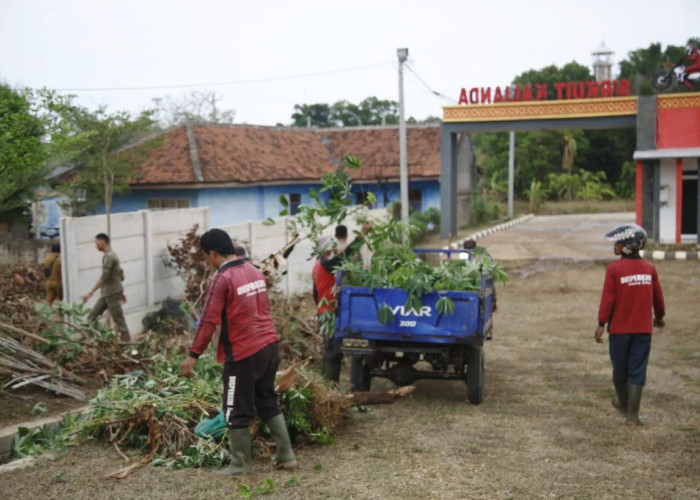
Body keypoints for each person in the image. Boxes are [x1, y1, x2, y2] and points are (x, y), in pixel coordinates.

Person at [179, 228, 296, 474]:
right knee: (266, 400)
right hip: (269, 347)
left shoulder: (223, 279)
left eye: (207, 256)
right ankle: (286, 455)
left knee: (234, 408)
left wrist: (193, 355)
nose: (208, 262)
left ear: (213, 253)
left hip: (243, 354)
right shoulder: (254, 271)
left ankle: (239, 464)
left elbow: (208, 320)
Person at [594, 224, 665, 425]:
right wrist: (659, 317)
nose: (615, 246)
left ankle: (623, 403)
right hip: (643, 330)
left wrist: (601, 323)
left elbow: (608, 299)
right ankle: (632, 415)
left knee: (620, 369)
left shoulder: (614, 269)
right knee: (637, 369)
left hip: (619, 331)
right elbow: (658, 298)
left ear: (629, 245)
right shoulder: (650, 269)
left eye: (618, 242)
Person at [312, 221, 371, 382]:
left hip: (323, 310)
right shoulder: (326, 263)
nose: (334, 250)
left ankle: (326, 386)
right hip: (329, 312)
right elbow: (345, 256)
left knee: (330, 349)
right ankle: (329, 387)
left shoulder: (316, 265)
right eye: (331, 248)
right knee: (333, 351)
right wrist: (361, 236)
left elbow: (314, 293)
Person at [82, 233, 130, 343]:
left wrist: (90, 293)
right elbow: (120, 274)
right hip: (107, 293)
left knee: (119, 320)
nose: (95, 245)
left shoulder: (109, 256)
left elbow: (104, 277)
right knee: (91, 318)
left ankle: (127, 344)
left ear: (103, 242)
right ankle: (95, 340)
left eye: (96, 242)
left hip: (111, 293)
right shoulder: (108, 255)